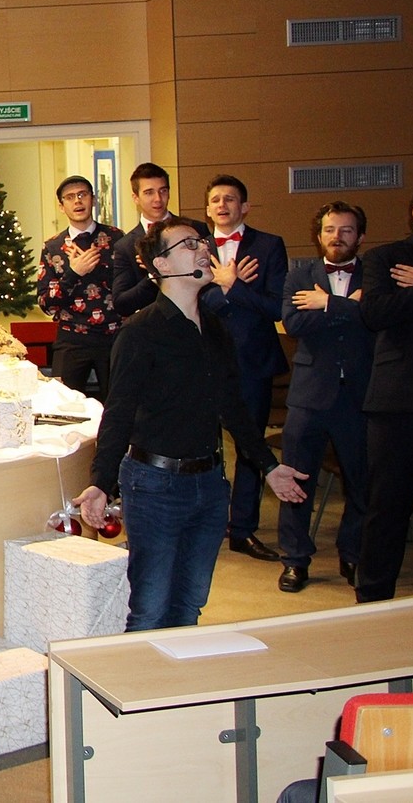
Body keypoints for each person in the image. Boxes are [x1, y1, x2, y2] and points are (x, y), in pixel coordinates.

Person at [76, 220, 306, 631]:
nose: (203, 249)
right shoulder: (140, 332)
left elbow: (233, 407)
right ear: (161, 265)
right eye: (188, 245)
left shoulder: (215, 327)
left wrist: (269, 466)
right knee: (149, 609)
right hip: (154, 485)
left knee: (189, 605)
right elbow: (119, 413)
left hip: (210, 484)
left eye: (202, 242)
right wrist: (100, 481)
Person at [276, 201, 372, 593]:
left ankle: (353, 554)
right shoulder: (299, 275)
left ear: (360, 237)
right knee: (296, 481)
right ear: (318, 236)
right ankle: (295, 559)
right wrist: (351, 307)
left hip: (360, 396)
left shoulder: (374, 274)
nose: (337, 237)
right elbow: (295, 323)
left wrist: (327, 304)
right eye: (330, 229)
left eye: (346, 230)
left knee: (361, 481)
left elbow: (376, 320)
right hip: (309, 395)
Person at [354, 175, 413, 603]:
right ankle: (373, 599)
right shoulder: (385, 257)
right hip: (399, 400)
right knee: (387, 507)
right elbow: (376, 314)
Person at [202, 174, 289, 563]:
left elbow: (277, 307)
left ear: (245, 207)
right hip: (204, 360)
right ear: (208, 209)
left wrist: (233, 286)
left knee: (251, 445)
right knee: (203, 445)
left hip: (253, 361)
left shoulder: (269, 246)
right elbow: (190, 303)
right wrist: (227, 289)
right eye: (216, 200)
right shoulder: (194, 247)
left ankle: (243, 529)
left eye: (230, 199)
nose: (222, 205)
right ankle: (207, 522)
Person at [36, 174, 126, 400]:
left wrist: (94, 269)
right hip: (71, 337)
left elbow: (127, 287)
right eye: (70, 197)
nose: (77, 201)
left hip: (114, 335)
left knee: (119, 404)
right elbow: (45, 303)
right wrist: (73, 273)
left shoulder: (116, 238)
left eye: (82, 195)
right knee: (63, 403)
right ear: (61, 206)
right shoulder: (53, 247)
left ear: (93, 199)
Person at [112, 163, 209, 317]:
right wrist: (154, 275)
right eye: (149, 193)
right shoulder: (125, 245)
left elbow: (210, 282)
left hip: (197, 316)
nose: (158, 199)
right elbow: (122, 304)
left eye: (163, 191)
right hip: (152, 323)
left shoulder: (196, 229)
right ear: (136, 198)